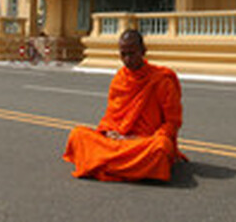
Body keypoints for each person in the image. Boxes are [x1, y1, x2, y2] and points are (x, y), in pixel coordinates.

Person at [63, 29, 185, 182]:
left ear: (143, 51)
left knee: (160, 147)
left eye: (132, 53)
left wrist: (141, 138)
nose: (127, 59)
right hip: (117, 140)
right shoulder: (119, 79)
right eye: (123, 54)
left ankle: (104, 163)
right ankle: (132, 168)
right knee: (77, 134)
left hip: (142, 142)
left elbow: (172, 122)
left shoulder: (161, 80)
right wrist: (108, 132)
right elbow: (111, 115)